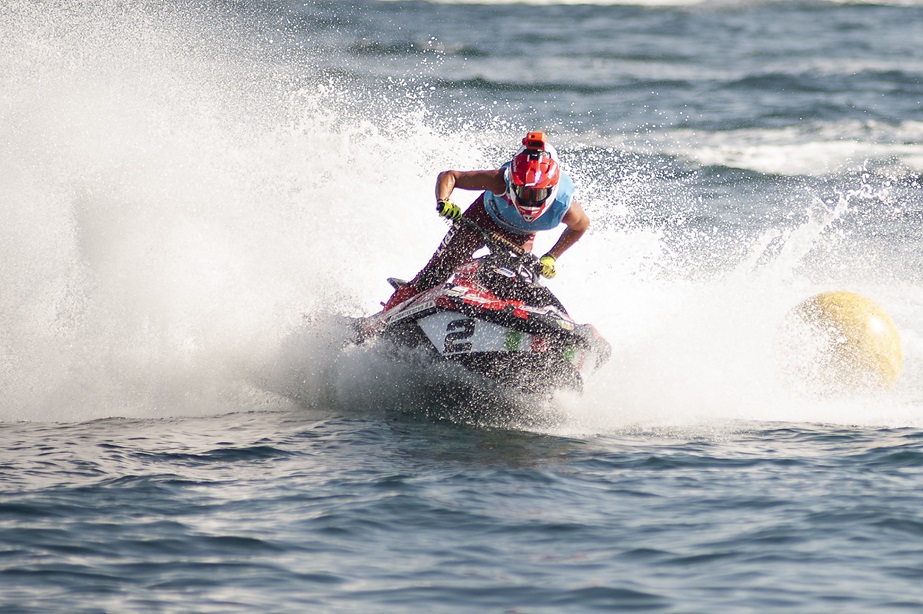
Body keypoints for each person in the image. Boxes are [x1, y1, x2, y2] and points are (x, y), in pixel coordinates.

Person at [381, 131, 590, 312]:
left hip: (521, 235)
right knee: (439, 270)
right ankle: (390, 311)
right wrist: (443, 201)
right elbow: (450, 176)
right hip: (481, 219)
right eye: (522, 191)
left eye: (537, 194)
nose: (529, 200)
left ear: (552, 189)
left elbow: (580, 227)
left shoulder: (565, 206)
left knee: (513, 280)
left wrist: (551, 257)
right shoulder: (499, 180)